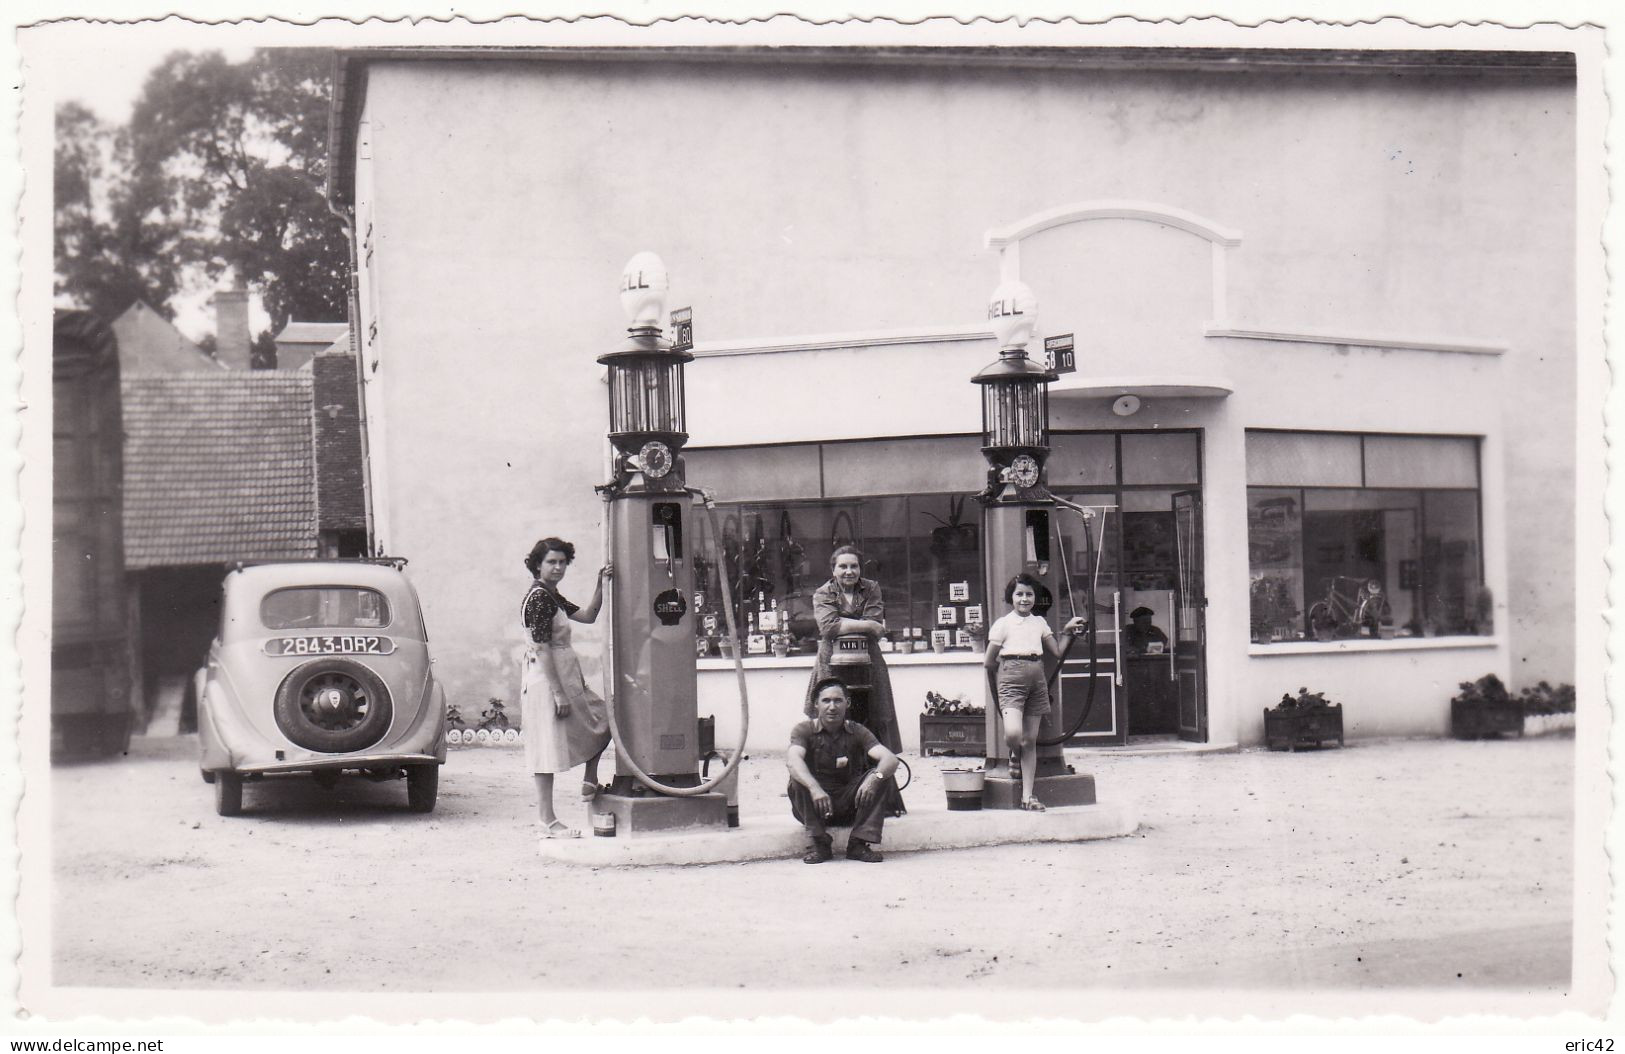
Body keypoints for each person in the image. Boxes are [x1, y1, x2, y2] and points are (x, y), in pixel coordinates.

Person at [520, 536, 613, 839]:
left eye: (562, 562)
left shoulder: (552, 596)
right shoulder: (538, 599)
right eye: (551, 562)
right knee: (546, 746)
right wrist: (558, 693)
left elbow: (588, 615)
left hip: (565, 675)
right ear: (538, 565)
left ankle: (590, 779)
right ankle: (546, 819)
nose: (558, 567)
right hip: (547, 680)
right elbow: (542, 648)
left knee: (605, 717)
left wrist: (602, 584)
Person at [803, 545, 905, 814]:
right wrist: (867, 625)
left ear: (861, 569)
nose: (849, 571)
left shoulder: (872, 588)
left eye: (854, 566)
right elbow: (828, 628)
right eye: (843, 566)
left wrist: (851, 623)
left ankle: (883, 801)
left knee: (874, 723)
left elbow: (873, 623)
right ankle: (831, 798)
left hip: (869, 666)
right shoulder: (823, 593)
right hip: (832, 667)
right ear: (833, 569)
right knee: (831, 722)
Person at [983, 573, 1087, 812]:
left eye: (1029, 594)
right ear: (1011, 596)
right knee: (1013, 734)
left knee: (1030, 741)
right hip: (1011, 680)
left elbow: (1058, 652)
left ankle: (1027, 797)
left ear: (1035, 598)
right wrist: (1008, 676)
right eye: (1019, 594)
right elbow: (989, 661)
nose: (1024, 599)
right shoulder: (1003, 624)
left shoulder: (1039, 623)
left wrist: (1069, 630)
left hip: (1037, 679)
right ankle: (1013, 753)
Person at [786, 677, 900, 863]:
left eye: (838, 700)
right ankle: (819, 842)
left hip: (849, 804)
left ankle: (858, 843)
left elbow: (890, 759)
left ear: (847, 703)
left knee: (881, 775)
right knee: (797, 780)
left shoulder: (857, 730)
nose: (832, 707)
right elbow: (793, 760)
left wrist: (874, 779)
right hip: (814, 806)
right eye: (826, 701)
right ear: (816, 704)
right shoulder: (803, 730)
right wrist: (814, 789)